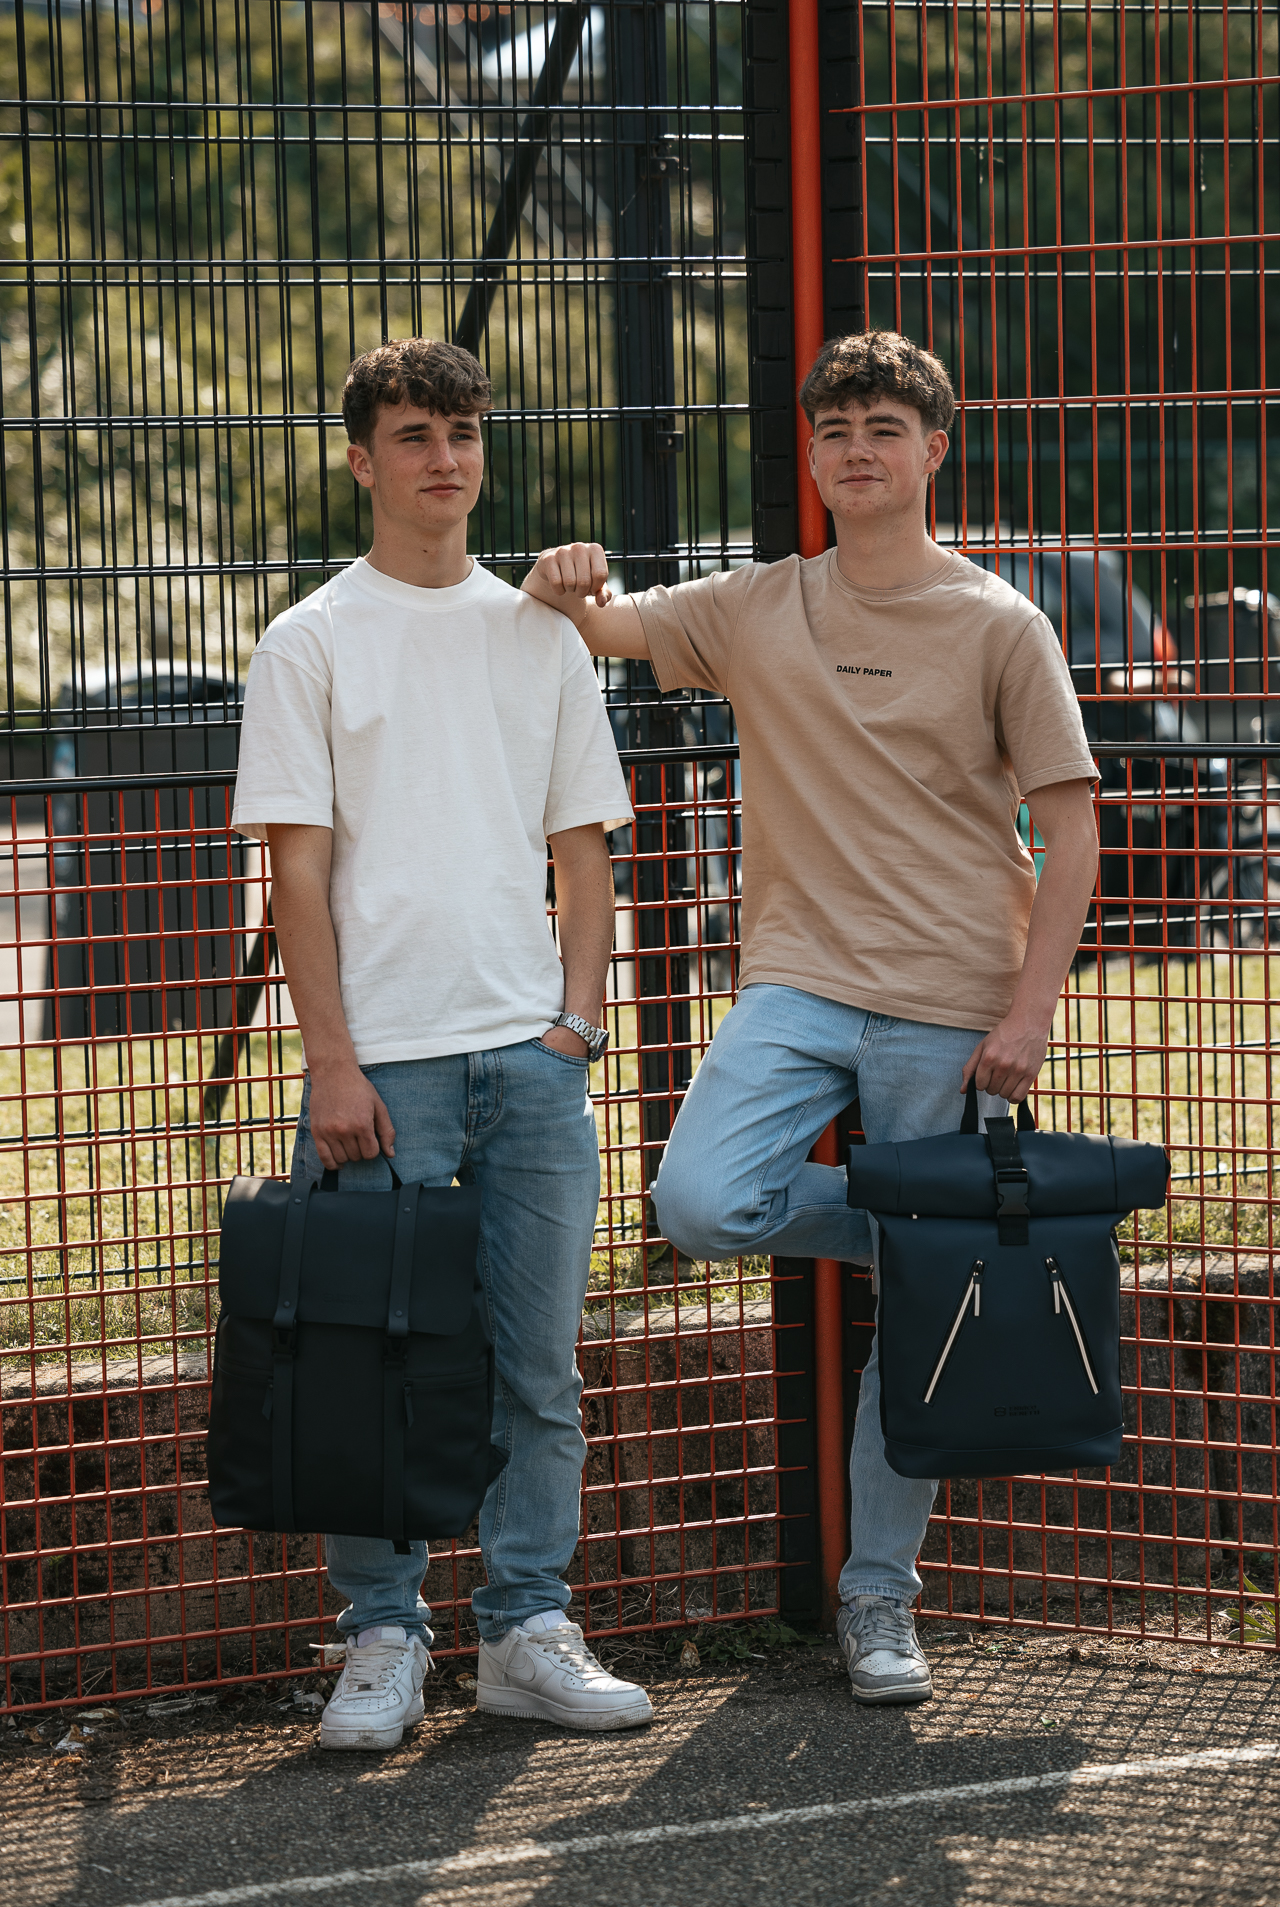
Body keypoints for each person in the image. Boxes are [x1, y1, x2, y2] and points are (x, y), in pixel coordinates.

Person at [520, 330, 1100, 1707]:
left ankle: (879, 1600)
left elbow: (1073, 831)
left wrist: (1031, 1013)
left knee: (916, 1325)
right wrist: (562, 574)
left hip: (953, 1000)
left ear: (934, 450)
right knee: (699, 1201)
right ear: (815, 457)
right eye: (836, 430)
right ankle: (922, 1238)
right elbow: (603, 626)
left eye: (884, 428)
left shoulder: (1001, 624)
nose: (856, 450)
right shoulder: (756, 604)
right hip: (795, 982)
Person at [231, 337, 652, 1748]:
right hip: (385, 1066)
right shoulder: (309, 640)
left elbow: (583, 852)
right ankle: (381, 1637)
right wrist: (331, 1062)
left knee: (539, 1370)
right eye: (414, 435)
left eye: (463, 433)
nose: (444, 458)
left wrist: (576, 1024)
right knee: (369, 1364)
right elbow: (296, 874)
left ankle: (528, 1629)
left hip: (530, 1063)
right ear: (362, 460)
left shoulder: (540, 633)